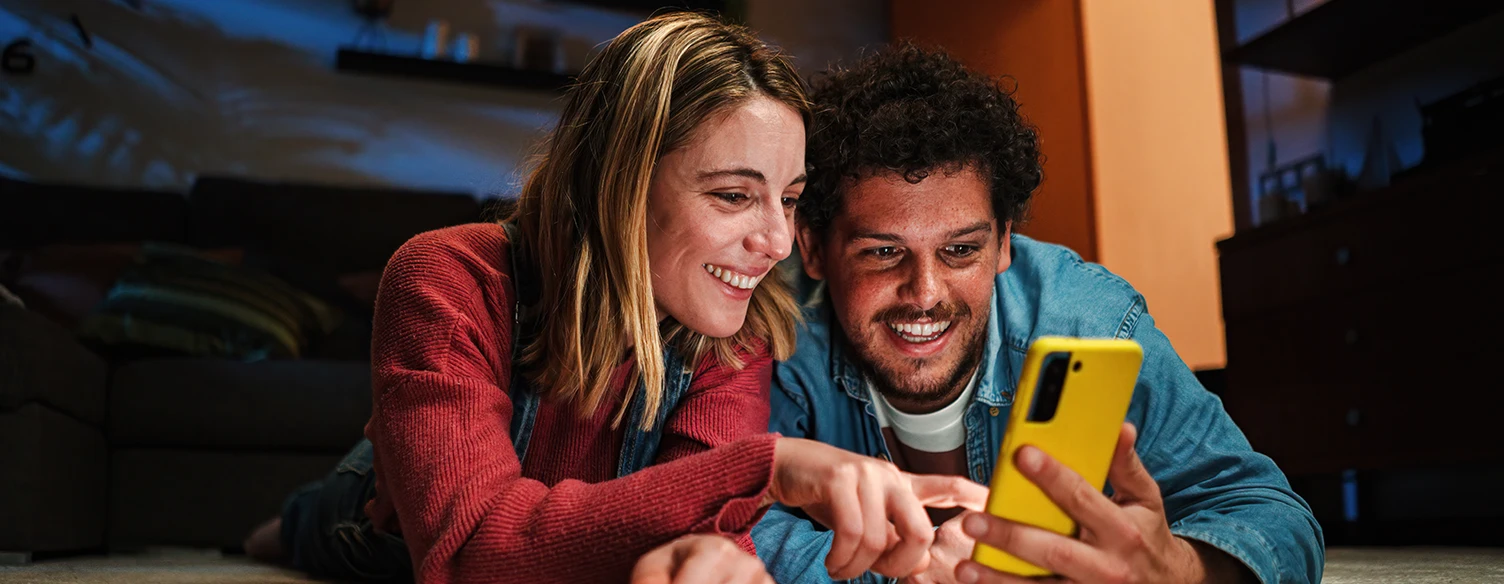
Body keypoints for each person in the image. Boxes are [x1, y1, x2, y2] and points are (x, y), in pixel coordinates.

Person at [242, 15, 984, 584]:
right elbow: (472, 554)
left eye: (787, 200)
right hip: (388, 513)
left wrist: (712, 554)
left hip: (574, 532)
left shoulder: (736, 328)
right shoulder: (447, 275)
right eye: (733, 195)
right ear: (616, 182)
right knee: (304, 532)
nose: (779, 244)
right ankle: (270, 529)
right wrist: (773, 465)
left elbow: (702, 514)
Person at [753, 44, 1325, 584]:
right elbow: (714, 516)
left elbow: (1275, 517)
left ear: (1004, 243)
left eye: (961, 250)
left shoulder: (1091, 322)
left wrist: (1176, 567)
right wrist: (909, 573)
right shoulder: (774, 328)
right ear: (813, 248)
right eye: (883, 252)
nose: (925, 293)